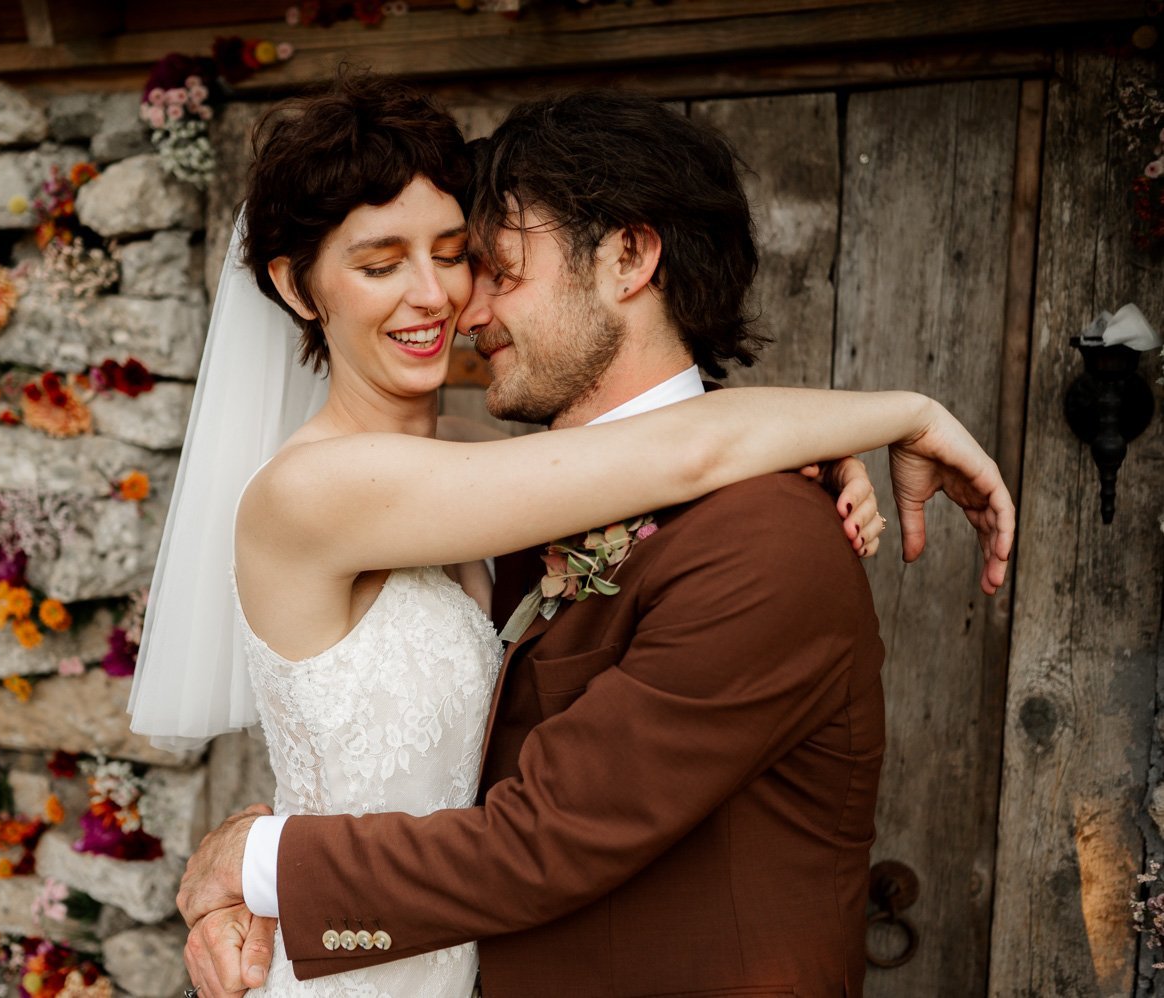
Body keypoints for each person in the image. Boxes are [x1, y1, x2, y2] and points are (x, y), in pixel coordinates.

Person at [140, 77, 1014, 998]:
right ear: (298, 287)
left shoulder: (762, 537)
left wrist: (260, 860)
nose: (458, 306)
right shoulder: (477, 500)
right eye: (382, 262)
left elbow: (536, 837)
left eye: (482, 265)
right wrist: (889, 419)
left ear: (630, 255)